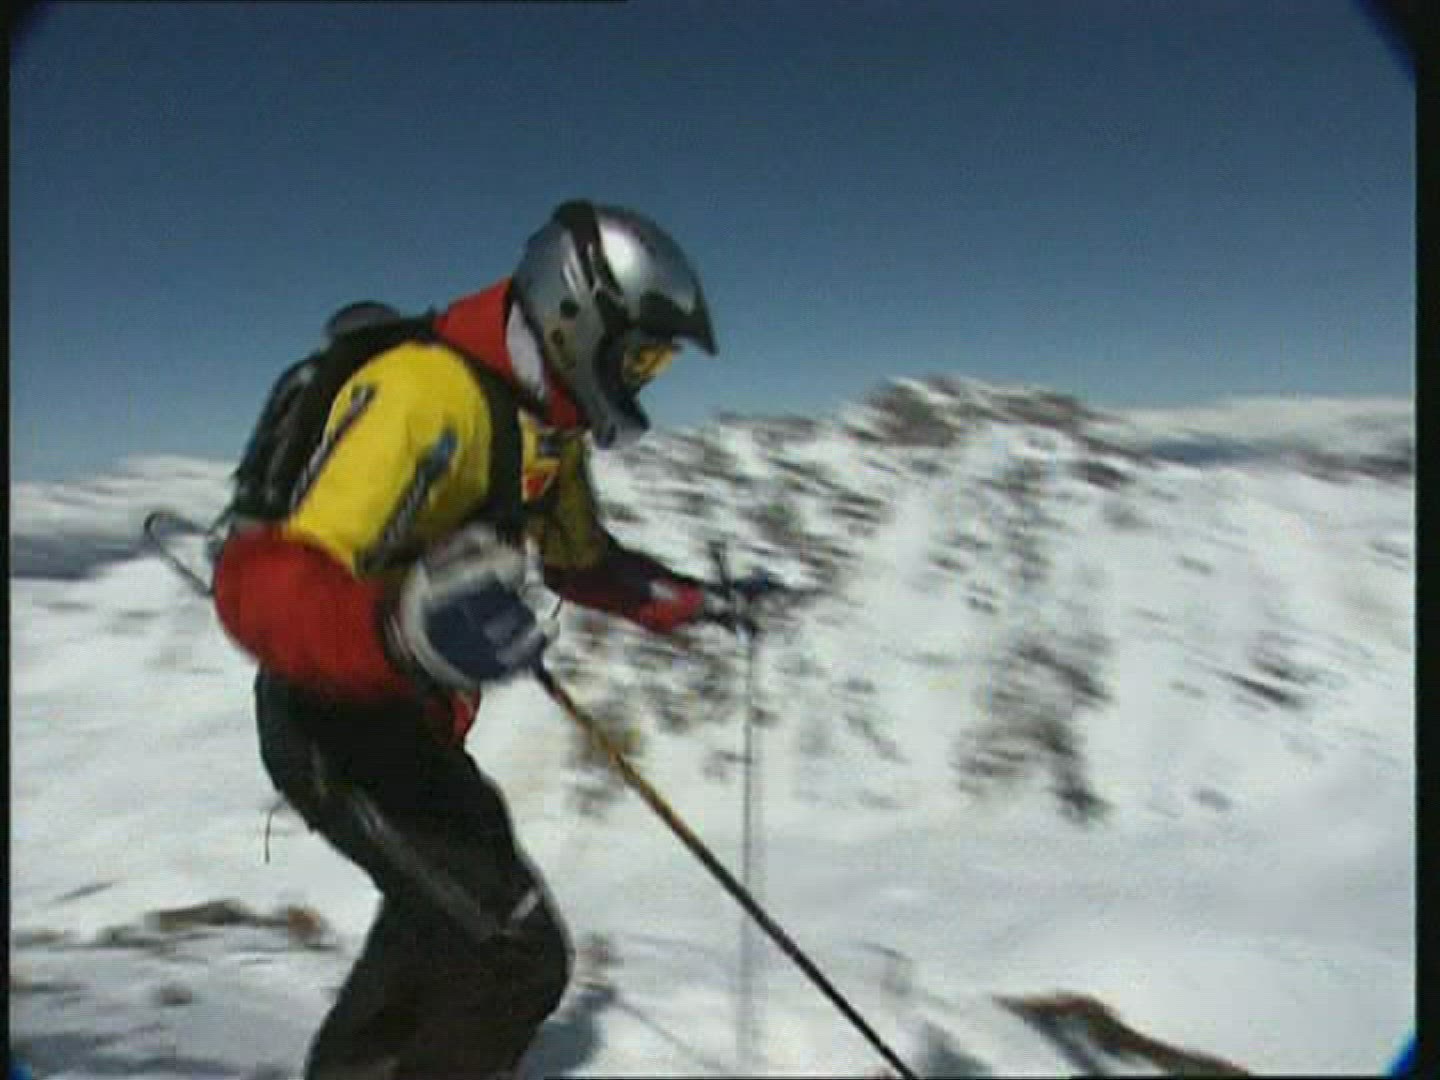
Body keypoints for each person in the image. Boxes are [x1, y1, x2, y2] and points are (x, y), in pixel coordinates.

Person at [212, 200, 751, 1079]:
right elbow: (257, 583)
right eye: (642, 357)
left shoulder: (547, 428)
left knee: (444, 912)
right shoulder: (427, 400)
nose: (645, 380)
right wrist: (398, 631)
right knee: (515, 952)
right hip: (330, 723)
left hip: (404, 720)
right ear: (576, 319)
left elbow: (580, 563)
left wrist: (696, 604)